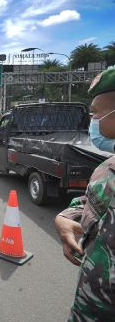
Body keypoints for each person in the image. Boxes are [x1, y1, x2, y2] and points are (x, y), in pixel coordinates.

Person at [54, 68, 115, 321]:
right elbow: (95, 201)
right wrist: (67, 217)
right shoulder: (108, 167)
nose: (93, 120)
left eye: (96, 112)